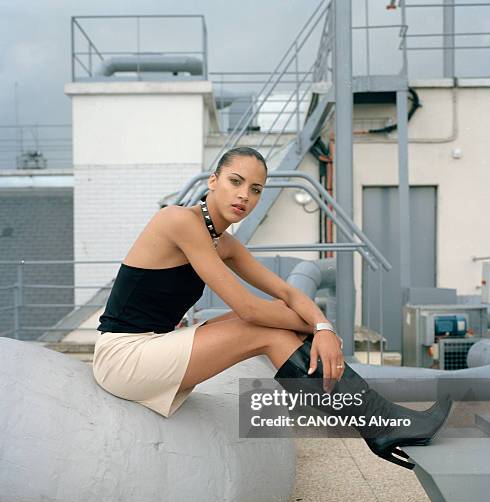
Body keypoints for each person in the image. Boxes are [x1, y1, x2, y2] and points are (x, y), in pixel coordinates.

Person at [92, 146, 452, 470]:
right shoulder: (177, 220)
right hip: (124, 356)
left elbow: (286, 292)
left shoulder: (225, 244)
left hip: (154, 347)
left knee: (274, 321)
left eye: (255, 190)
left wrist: (323, 326)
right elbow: (249, 309)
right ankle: (380, 421)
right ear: (214, 181)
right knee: (259, 325)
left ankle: (380, 422)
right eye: (235, 181)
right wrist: (317, 329)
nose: (243, 196)